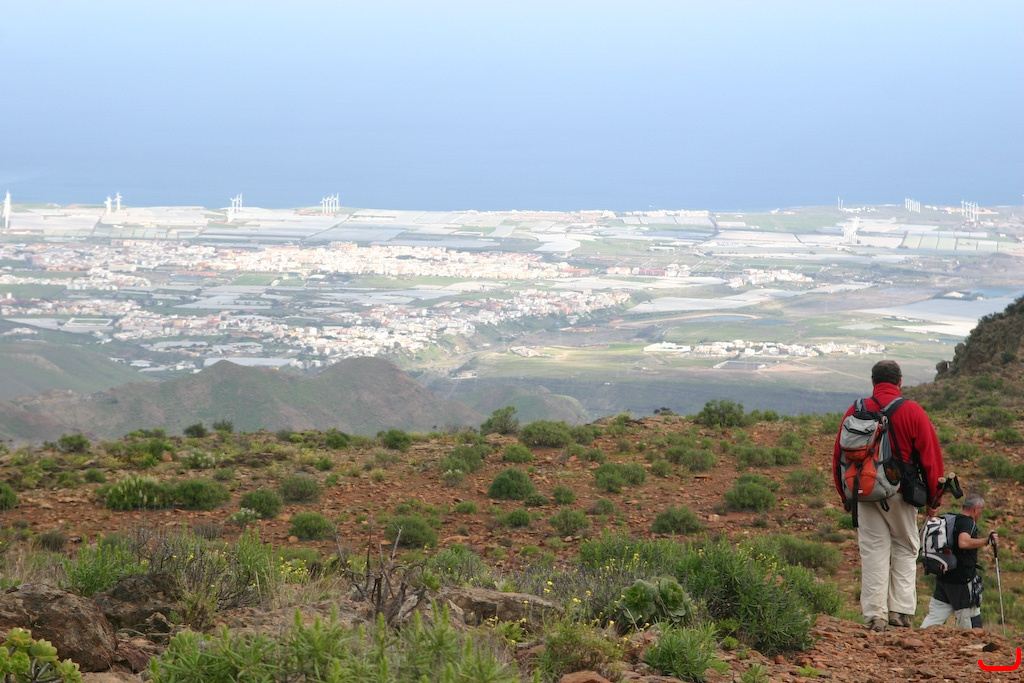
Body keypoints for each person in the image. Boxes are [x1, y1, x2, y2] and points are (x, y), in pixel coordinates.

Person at [832, 360, 945, 632]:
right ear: (900, 381)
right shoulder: (912, 411)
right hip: (901, 494)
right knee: (906, 547)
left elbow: (838, 457)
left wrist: (845, 495)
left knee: (873, 552)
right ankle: (900, 612)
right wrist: (934, 500)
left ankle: (875, 616)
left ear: (873, 382)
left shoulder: (855, 409)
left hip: (864, 492)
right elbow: (931, 459)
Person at [920, 494, 997, 629]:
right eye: (981, 511)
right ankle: (974, 642)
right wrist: (987, 541)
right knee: (970, 618)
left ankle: (919, 639)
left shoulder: (950, 519)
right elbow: (963, 542)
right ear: (975, 509)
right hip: (961, 580)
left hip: (944, 577)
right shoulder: (967, 522)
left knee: (934, 617)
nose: (980, 514)